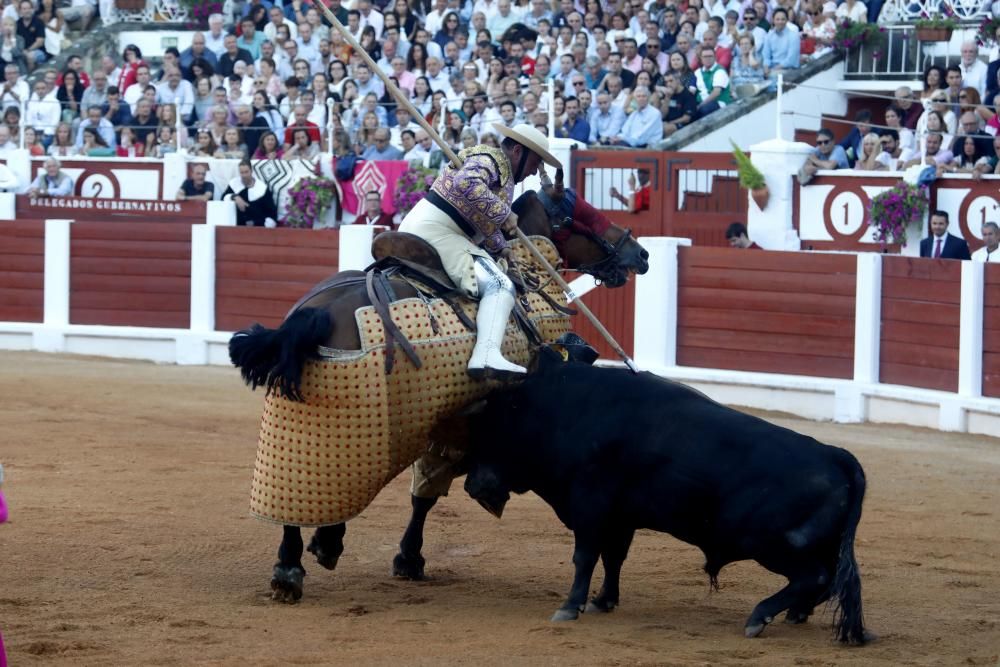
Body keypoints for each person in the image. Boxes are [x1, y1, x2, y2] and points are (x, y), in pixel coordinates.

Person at [397, 123, 561, 377]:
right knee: (499, 285)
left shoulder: (500, 169)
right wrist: (503, 212)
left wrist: (502, 247)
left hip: (438, 229)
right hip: (439, 232)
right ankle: (485, 354)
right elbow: (467, 182)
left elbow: (477, 219)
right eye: (534, 164)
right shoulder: (491, 159)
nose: (532, 173)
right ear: (518, 151)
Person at [222, 159, 277, 227]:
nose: (244, 175)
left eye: (246, 172)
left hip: (257, 227)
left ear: (251, 171)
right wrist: (234, 197)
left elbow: (271, 213)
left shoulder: (262, 188)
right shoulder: (234, 184)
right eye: (242, 172)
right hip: (236, 225)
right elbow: (223, 198)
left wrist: (256, 223)